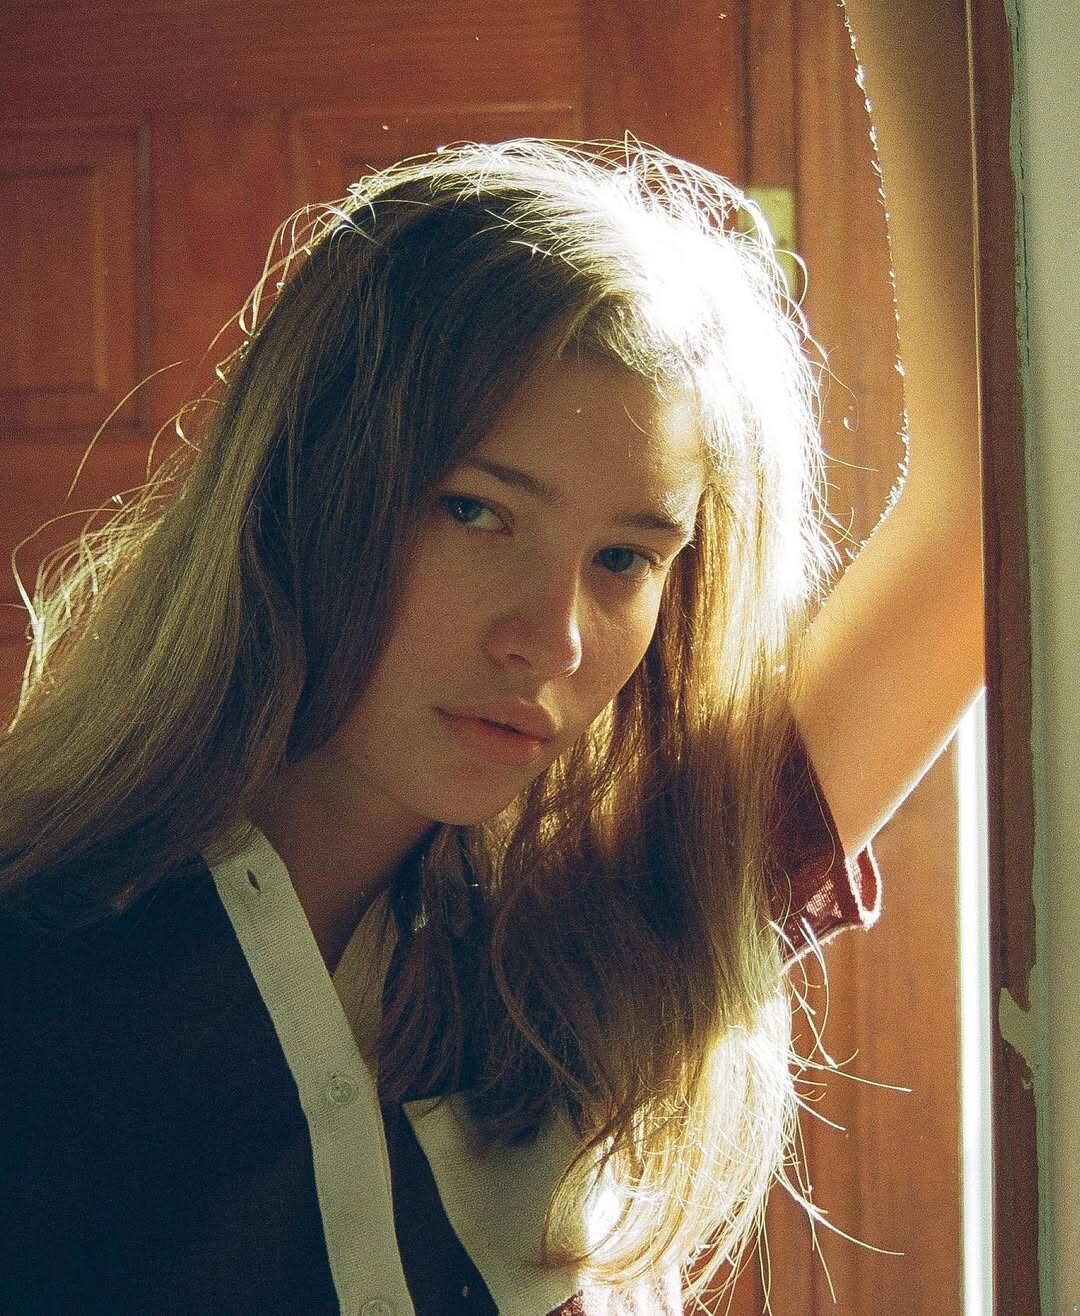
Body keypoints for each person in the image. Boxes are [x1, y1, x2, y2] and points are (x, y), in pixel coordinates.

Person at [0, 135, 981, 1315]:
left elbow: (987, 510)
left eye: (624, 557)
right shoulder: (44, 977)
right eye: (476, 510)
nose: (553, 637)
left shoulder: (609, 920)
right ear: (305, 481)